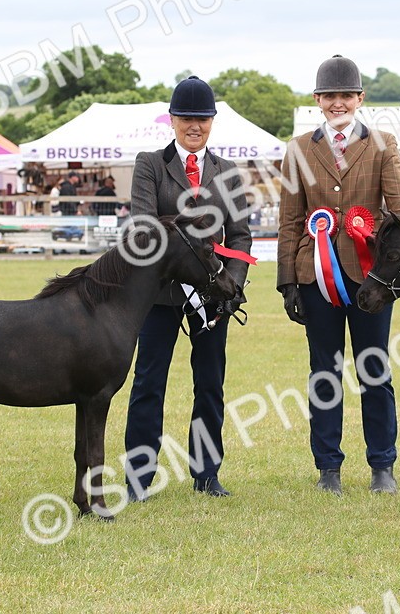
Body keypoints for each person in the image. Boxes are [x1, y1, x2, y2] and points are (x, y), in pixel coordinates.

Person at [277, 55, 400, 496]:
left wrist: (397, 272)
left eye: (346, 95)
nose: (338, 103)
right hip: (314, 275)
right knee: (324, 371)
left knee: (374, 368)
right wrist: (287, 282)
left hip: (370, 275)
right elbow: (290, 219)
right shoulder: (298, 149)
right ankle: (328, 467)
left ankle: (383, 464)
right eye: (330, 96)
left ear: (360, 98)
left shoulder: (383, 145)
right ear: (317, 99)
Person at [123, 76, 252, 501]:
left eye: (203, 118)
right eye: (186, 118)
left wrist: (232, 285)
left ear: (212, 121)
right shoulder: (150, 164)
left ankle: (207, 473)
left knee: (210, 384)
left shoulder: (228, 172)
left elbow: (240, 235)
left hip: (213, 294)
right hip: (160, 293)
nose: (194, 126)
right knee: (149, 382)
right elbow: (145, 228)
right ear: (172, 120)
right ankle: (139, 476)